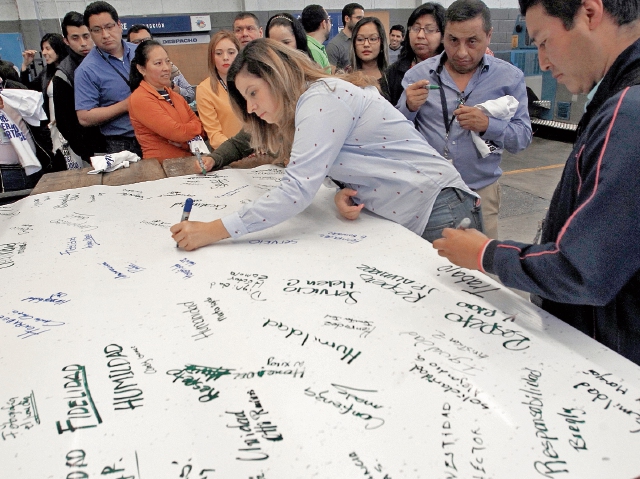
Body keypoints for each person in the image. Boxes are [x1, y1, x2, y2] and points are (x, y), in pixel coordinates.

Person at [435, 0, 640, 366]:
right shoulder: (618, 98)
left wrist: (486, 254)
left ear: (589, 14)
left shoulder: (629, 112)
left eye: (544, 41)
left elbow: (583, 270)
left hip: (609, 354)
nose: (543, 62)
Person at [170, 39, 482, 251]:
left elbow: (296, 190)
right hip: (419, 210)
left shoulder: (320, 98)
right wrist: (340, 188)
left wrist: (212, 230)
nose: (250, 109)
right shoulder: (310, 105)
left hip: (440, 207)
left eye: (253, 92)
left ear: (277, 75)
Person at [398, 0, 531, 239]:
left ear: (488, 36)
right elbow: (395, 135)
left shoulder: (509, 78)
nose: (461, 52)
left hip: (481, 193)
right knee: (426, 267)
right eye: (453, 40)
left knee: (478, 270)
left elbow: (522, 137)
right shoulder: (417, 76)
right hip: (428, 193)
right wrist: (408, 107)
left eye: (472, 41)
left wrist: (488, 125)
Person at [74, 1, 142, 156]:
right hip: (121, 143)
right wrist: (126, 105)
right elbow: (84, 117)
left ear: (119, 25)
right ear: (90, 33)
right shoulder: (86, 70)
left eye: (109, 27)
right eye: (97, 30)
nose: (105, 35)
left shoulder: (140, 52)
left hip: (156, 132)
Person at [128, 40, 203, 162]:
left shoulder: (174, 95)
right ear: (142, 69)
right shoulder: (140, 98)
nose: (166, 68)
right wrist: (192, 129)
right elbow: (177, 133)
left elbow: (202, 130)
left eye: (167, 62)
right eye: (158, 63)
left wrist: (185, 138)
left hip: (189, 164)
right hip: (161, 169)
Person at [53, 11, 106, 168]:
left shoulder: (107, 59)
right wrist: (87, 153)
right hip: (93, 152)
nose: (83, 43)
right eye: (75, 38)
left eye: (86, 35)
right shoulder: (64, 74)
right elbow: (65, 123)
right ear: (66, 41)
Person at [20, 33, 68, 171]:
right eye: (43, 49)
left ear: (58, 47)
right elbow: (28, 92)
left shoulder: (71, 69)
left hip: (70, 129)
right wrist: (25, 66)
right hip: (53, 132)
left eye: (48, 48)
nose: (45, 53)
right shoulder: (46, 73)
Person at [386, 3, 445, 106]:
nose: (420, 35)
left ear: (444, 36)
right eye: (415, 29)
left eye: (429, 30)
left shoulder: (452, 69)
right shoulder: (393, 73)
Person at [196, 31, 243, 149]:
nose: (225, 58)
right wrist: (239, 149)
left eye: (231, 52)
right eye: (219, 53)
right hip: (228, 154)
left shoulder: (252, 82)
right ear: (212, 57)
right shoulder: (205, 89)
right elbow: (214, 135)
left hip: (259, 152)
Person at [127, 24, 195, 103]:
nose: (143, 45)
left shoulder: (169, 67)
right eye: (136, 42)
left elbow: (190, 94)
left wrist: (175, 89)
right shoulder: (127, 70)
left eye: (147, 40)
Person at [350, 17, 390, 101]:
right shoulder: (346, 77)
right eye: (360, 39)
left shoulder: (391, 76)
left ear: (381, 42)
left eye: (373, 39)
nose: (366, 44)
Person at [326, 3, 364, 70]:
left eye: (363, 18)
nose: (362, 22)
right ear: (347, 19)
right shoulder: (334, 45)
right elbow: (330, 75)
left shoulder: (364, 42)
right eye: (358, 18)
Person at [301, 4, 332, 72]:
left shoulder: (310, 46)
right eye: (329, 20)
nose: (330, 24)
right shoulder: (313, 50)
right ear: (324, 23)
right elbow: (319, 81)